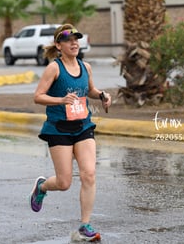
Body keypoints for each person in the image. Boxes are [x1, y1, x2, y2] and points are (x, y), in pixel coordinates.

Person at [30, 24, 111, 242]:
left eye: (76, 39)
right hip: (58, 129)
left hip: (83, 126)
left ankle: (85, 225)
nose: (74, 43)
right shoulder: (54, 68)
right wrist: (61, 100)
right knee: (64, 183)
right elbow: (38, 96)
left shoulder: (86, 67)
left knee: (89, 174)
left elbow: (90, 90)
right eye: (68, 40)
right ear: (59, 45)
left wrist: (102, 95)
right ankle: (42, 186)